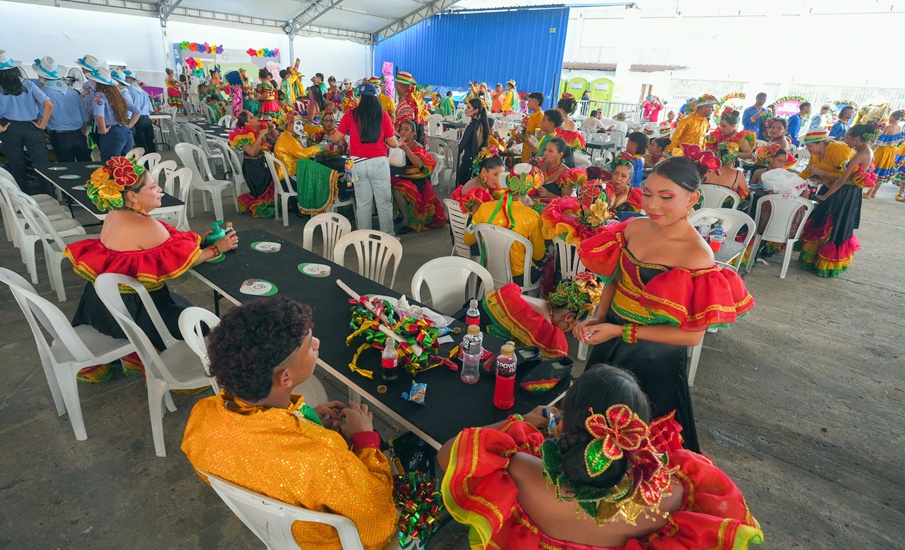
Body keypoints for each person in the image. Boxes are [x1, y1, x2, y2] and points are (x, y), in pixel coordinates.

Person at [438, 364, 765, 550]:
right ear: (638, 433)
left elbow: (448, 453)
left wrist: (522, 420)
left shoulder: (520, 470)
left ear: (563, 424)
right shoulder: (678, 494)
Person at [181, 296, 397, 550]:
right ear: (285, 377)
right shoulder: (324, 458)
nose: (317, 344)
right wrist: (366, 440)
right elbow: (380, 525)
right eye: (308, 346)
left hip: (279, 534)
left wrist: (303, 418)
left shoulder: (203, 415)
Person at [574, 157, 755, 452]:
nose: (652, 205)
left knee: (639, 436)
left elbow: (692, 335)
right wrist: (600, 316)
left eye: (666, 197)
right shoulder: (634, 227)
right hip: (609, 336)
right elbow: (614, 279)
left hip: (652, 356)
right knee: (593, 417)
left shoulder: (697, 255)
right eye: (647, 193)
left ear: (692, 198)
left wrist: (620, 331)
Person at [64, 156, 238, 381]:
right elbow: (184, 260)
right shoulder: (147, 225)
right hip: (132, 311)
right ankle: (155, 357)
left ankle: (135, 356)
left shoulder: (115, 215)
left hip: (99, 305)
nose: (160, 190)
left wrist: (198, 238)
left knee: (179, 304)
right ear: (132, 195)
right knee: (200, 326)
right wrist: (217, 248)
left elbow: (167, 244)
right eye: (153, 186)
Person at [463, 273, 603, 358]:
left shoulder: (536, 302)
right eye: (574, 325)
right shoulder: (546, 331)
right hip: (475, 348)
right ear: (568, 317)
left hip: (464, 323)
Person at [800, 124, 878, 277]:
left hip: (844, 195)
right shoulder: (867, 150)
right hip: (851, 193)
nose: (845, 140)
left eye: (848, 137)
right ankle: (821, 261)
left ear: (856, 139)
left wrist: (825, 196)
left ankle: (821, 261)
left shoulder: (859, 154)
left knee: (829, 223)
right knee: (836, 224)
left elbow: (842, 180)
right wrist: (823, 181)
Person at [332, 82, 399, 235]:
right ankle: (388, 238)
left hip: (356, 164)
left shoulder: (350, 114)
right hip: (378, 163)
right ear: (376, 97)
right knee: (384, 204)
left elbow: (336, 138)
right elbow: (392, 143)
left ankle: (363, 238)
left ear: (361, 97)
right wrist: (397, 143)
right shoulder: (383, 115)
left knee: (363, 203)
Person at [464, 170, 546, 284]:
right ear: (529, 189)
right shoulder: (533, 217)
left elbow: (468, 239)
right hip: (519, 278)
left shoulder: (484, 208)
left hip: (489, 271)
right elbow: (538, 255)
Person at [0, 51, 52, 190]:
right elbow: (48, 104)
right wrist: (42, 125)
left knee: (17, 165)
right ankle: (48, 195)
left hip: (9, 127)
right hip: (32, 125)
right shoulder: (28, 84)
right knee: (41, 164)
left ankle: (22, 200)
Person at [390, 119, 447, 233]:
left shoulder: (417, 147)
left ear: (413, 133)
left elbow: (419, 164)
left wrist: (405, 148)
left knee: (398, 190)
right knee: (386, 185)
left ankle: (408, 222)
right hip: (402, 176)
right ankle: (401, 213)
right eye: (401, 129)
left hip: (417, 180)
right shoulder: (397, 143)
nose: (403, 132)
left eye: (407, 130)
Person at [32, 56, 90, 164]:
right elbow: (85, 117)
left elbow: (40, 116)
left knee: (67, 170)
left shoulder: (43, 93)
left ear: (41, 76)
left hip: (60, 136)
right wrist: (83, 131)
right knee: (87, 166)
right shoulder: (73, 92)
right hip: (79, 134)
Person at [229, 110, 279, 217]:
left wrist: (272, 128)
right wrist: (260, 137)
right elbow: (252, 153)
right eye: (252, 117)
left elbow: (277, 139)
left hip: (266, 165)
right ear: (246, 123)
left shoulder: (260, 130)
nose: (256, 118)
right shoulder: (243, 135)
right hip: (254, 168)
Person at [86, 68, 140, 161]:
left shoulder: (99, 95)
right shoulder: (117, 94)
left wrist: (103, 129)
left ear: (96, 82)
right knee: (125, 165)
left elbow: (99, 114)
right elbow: (137, 111)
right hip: (125, 131)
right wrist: (129, 126)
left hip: (111, 133)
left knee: (110, 164)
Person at [451, 148, 506, 213]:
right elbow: (477, 220)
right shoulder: (479, 192)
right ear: (484, 172)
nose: (499, 179)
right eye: (496, 175)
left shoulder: (478, 182)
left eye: (501, 175)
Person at [273, 111, 324, 180]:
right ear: (289, 125)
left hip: (290, 172)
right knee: (321, 175)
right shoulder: (288, 138)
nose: (302, 127)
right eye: (299, 123)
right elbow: (303, 153)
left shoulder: (287, 135)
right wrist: (320, 147)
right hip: (289, 177)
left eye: (302, 124)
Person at [866, 110, 904, 198]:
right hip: (891, 152)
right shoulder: (899, 128)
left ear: (893, 117)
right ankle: (874, 193)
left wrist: (872, 151)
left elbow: (880, 142)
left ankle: (869, 193)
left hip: (882, 151)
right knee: (882, 171)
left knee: (876, 171)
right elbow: (899, 141)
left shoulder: (888, 127)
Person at [120, 70, 156, 153]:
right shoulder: (143, 91)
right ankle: (153, 162)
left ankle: (144, 164)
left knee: (140, 144)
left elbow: (130, 108)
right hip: (147, 119)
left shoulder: (127, 91)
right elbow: (150, 109)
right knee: (150, 142)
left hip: (136, 119)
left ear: (129, 79)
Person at [456, 98, 489, 186]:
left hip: (468, 162)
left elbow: (462, 145)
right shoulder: (483, 125)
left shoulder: (471, 126)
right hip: (478, 162)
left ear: (476, 110)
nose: (466, 109)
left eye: (469, 108)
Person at [394, 70, 428, 135]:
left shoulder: (406, 102)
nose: (395, 87)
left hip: (408, 141)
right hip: (417, 135)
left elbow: (406, 127)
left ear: (401, 86)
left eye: (396, 84)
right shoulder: (414, 98)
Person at [520, 91, 545, 162]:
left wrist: (521, 137)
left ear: (536, 102)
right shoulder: (532, 115)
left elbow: (536, 138)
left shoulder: (540, 117)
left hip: (532, 152)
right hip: (526, 150)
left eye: (529, 101)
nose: (527, 103)